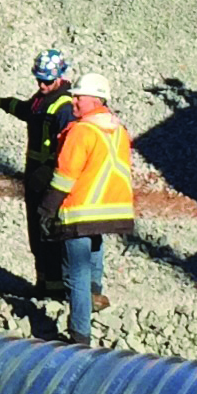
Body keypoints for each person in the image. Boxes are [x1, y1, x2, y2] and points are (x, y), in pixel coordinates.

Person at [39, 72, 135, 345]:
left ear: (94, 99)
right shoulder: (118, 129)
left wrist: (46, 209)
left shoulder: (81, 131)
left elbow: (65, 176)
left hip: (81, 211)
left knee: (76, 275)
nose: (74, 102)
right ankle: (96, 294)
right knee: (94, 255)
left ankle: (80, 335)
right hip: (111, 210)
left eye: (78, 97)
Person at [0, 49, 76, 295]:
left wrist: (57, 188)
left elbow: (69, 151)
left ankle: (55, 291)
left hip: (49, 180)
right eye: (38, 80)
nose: (41, 85)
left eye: (46, 81)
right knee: (36, 234)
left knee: (49, 234)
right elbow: (26, 111)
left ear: (58, 77)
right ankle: (42, 284)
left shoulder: (63, 106)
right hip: (35, 179)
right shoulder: (42, 98)